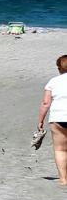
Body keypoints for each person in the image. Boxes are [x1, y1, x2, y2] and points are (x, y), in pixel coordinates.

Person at [36, 54, 67, 186]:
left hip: (58, 117)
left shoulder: (53, 82)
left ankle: (63, 179)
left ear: (59, 68)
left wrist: (41, 120)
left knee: (60, 149)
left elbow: (45, 103)